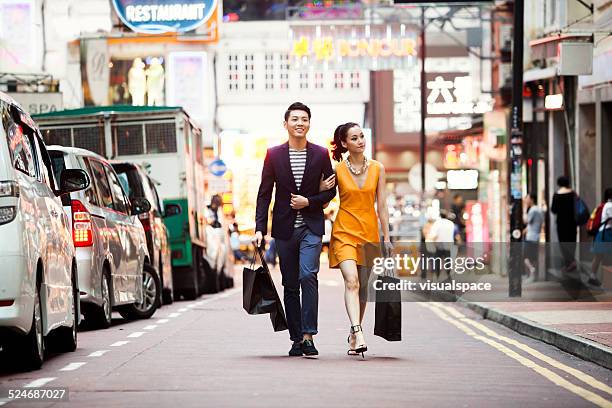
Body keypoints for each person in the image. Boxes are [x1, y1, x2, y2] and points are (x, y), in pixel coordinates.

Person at [254, 102, 336, 357]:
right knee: (290, 284)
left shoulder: (321, 154)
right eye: (295, 119)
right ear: (286, 124)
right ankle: (296, 338)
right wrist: (260, 228)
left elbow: (331, 190)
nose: (300, 123)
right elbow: (264, 194)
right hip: (284, 229)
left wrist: (310, 201)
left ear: (309, 123)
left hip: (311, 227)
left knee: (307, 276)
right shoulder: (274, 155)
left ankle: (309, 336)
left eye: (304, 119)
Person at [319, 122, 392, 358]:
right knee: (351, 281)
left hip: (369, 233)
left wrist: (387, 237)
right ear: (344, 143)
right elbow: (324, 203)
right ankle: (358, 332)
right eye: (354, 138)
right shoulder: (337, 170)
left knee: (362, 290)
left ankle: (353, 333)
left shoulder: (378, 168)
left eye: (362, 136)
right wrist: (321, 189)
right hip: (344, 232)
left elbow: (382, 206)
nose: (360, 141)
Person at [551, 176, 578, 271]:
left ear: (558, 183)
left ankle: (569, 263)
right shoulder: (573, 194)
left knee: (563, 242)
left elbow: (553, 210)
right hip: (572, 222)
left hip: (561, 223)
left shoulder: (556, 195)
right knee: (572, 240)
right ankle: (572, 261)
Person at [590, 188, 612, 286]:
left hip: (602, 233)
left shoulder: (605, 205)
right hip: (607, 233)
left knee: (598, 256)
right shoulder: (610, 206)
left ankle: (592, 276)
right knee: (600, 256)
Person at [426, 210, 456, 280]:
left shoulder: (437, 223)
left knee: (437, 261)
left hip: (439, 244)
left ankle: (437, 276)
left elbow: (434, 235)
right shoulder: (450, 223)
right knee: (448, 260)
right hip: (449, 244)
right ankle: (448, 275)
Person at [522, 193, 543, 282]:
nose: (526, 200)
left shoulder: (532, 210)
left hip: (531, 237)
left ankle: (532, 271)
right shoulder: (538, 209)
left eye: (527, 198)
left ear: (532, 199)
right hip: (536, 236)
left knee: (526, 256)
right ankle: (533, 275)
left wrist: (524, 209)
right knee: (533, 256)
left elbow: (526, 221)